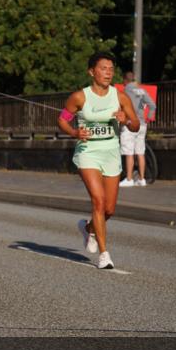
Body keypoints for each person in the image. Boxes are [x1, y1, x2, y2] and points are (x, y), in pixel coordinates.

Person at [58, 52, 140, 270]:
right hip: (88, 152)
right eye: (103, 68)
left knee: (109, 209)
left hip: (111, 152)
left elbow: (136, 125)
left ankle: (89, 229)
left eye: (111, 69)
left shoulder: (120, 97)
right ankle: (104, 254)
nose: (108, 73)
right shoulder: (79, 97)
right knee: (98, 201)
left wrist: (127, 120)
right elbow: (62, 120)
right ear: (92, 72)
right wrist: (75, 133)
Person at [119, 71, 157, 187]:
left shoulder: (125, 92)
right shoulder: (142, 91)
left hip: (130, 124)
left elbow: (121, 107)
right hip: (142, 125)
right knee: (140, 152)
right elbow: (151, 105)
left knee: (129, 152)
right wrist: (148, 117)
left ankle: (129, 179)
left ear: (125, 80)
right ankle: (141, 179)